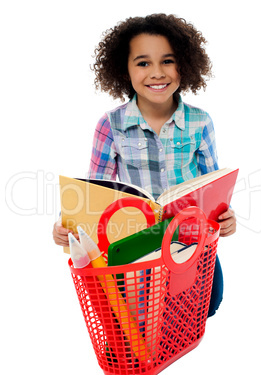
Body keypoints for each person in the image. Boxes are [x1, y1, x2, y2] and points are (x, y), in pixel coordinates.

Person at [53, 14, 236, 316]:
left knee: (209, 304)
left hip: (189, 237)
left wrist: (226, 218)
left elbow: (213, 186)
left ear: (184, 65)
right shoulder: (110, 125)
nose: (157, 73)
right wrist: (66, 225)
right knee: (129, 314)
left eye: (168, 61)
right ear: (124, 71)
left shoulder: (200, 122)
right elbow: (94, 188)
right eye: (143, 63)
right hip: (135, 239)